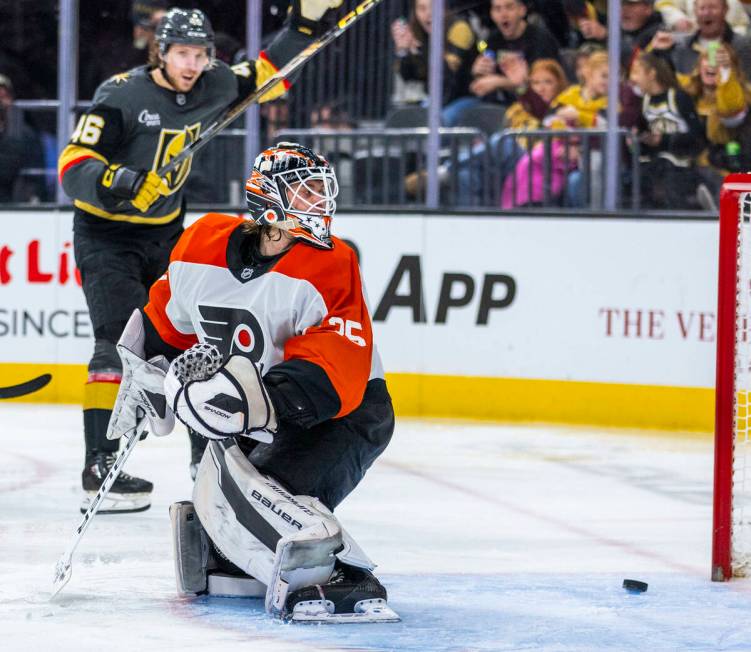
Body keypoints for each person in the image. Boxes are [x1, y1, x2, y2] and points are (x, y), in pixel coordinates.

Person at [57, 2, 343, 515]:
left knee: (197, 341)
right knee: (117, 346)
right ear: (160, 53)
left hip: (168, 236)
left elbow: (264, 70)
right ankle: (99, 463)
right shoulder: (121, 95)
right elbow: (74, 164)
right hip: (107, 235)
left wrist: (302, 25)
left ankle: (207, 458)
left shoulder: (214, 84)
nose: (191, 64)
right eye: (182, 53)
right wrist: (118, 183)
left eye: (200, 54)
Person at [105, 142, 397, 622]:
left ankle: (341, 574)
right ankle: (246, 556)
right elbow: (165, 326)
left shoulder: (332, 262)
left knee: (252, 500)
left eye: (321, 193)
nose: (318, 204)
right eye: (304, 193)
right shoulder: (200, 243)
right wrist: (144, 375)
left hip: (342, 415)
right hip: (249, 412)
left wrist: (251, 403)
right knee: (217, 521)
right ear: (267, 199)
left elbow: (336, 365)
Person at [629, 50, 707, 208]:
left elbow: (697, 135)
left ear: (651, 73)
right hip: (652, 165)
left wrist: (664, 140)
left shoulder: (678, 98)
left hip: (681, 166)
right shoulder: (643, 102)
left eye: (636, 72)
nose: (633, 78)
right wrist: (639, 140)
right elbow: (641, 132)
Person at [391, 0, 477, 125]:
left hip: (466, 98)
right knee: (406, 120)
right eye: (421, 8)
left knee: (438, 122)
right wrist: (403, 51)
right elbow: (409, 76)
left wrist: (420, 49)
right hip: (436, 100)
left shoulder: (460, 28)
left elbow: (447, 76)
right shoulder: (418, 31)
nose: (428, 14)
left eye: (433, 7)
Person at [469, 0, 560, 107]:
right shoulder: (491, 40)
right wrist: (477, 73)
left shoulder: (542, 39)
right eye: (497, 9)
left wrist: (499, 82)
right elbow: (475, 80)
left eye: (509, 7)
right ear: (491, 14)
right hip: (497, 103)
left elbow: (540, 84)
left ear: (522, 10)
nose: (503, 14)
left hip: (536, 105)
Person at [651, 0, 751, 75]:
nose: (706, 13)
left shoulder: (742, 46)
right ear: (694, 11)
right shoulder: (683, 48)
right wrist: (659, 53)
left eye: (713, 8)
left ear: (725, 10)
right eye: (702, 8)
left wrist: (731, 68)